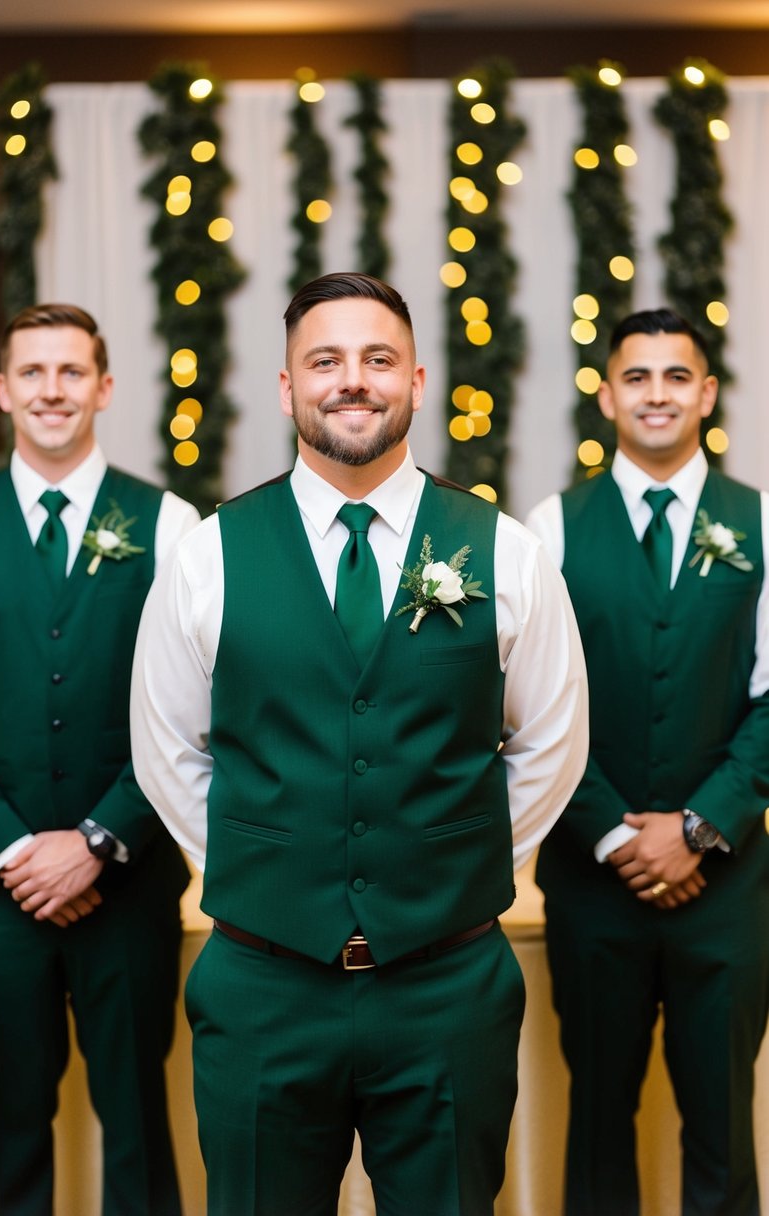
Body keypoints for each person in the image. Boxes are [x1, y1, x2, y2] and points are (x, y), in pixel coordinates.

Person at [130, 270, 588, 1216]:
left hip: (446, 987)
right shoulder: (208, 553)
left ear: (418, 381)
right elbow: (168, 747)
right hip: (262, 987)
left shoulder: (502, 551)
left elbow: (550, 741)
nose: (353, 380)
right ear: (288, 384)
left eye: (377, 359)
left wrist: (440, 866)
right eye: (325, 360)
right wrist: (275, 869)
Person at [0, 303, 199, 1216]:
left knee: (137, 1120)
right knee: (10, 1121)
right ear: (6, 389)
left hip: (127, 880)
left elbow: (186, 714)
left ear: (104, 388)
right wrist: (16, 853)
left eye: (72, 372)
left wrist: (95, 842)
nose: (53, 390)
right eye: (34, 373)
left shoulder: (167, 524)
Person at [526, 308, 769, 1216]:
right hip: (593, 888)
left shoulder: (762, 523)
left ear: (705, 395)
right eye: (638, 377)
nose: (656, 394)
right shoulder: (547, 529)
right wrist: (615, 841)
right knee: (596, 1123)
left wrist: (700, 828)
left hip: (729, 889)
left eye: (676, 377)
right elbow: (530, 711)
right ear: (606, 395)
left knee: (722, 1122)